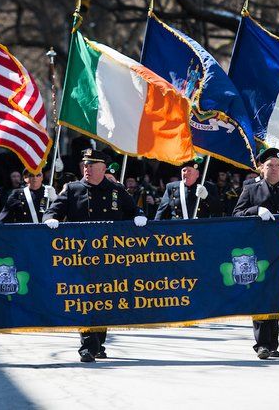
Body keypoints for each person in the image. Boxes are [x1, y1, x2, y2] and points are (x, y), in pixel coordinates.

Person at [42, 148, 146, 363]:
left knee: (104, 299)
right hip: (80, 257)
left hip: (109, 256)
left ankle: (99, 342)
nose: (86, 169)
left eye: (91, 165)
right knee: (86, 299)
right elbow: (54, 210)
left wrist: (139, 217)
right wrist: (50, 218)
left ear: (103, 168)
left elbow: (134, 210)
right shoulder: (73, 189)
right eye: (85, 165)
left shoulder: (116, 190)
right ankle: (88, 346)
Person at [232, 148, 279, 359]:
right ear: (261, 168)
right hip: (257, 254)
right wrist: (255, 210)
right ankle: (262, 344)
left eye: (277, 165)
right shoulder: (251, 190)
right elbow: (236, 215)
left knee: (276, 297)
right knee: (259, 296)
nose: (274, 169)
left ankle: (272, 344)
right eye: (269, 166)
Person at [154, 157, 221, 220]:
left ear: (197, 174)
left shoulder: (209, 186)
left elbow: (218, 210)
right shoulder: (171, 187)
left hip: (200, 228)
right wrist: (155, 227)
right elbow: (161, 212)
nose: (186, 173)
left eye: (189, 171)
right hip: (178, 229)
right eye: (184, 170)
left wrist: (207, 197)